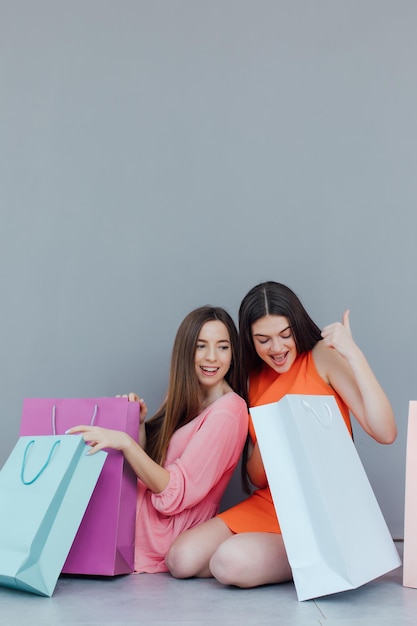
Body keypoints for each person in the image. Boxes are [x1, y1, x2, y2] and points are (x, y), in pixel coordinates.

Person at [165, 281, 397, 587]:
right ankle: (300, 557)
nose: (276, 348)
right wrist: (275, 433)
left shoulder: (321, 357)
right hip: (272, 504)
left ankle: (322, 552)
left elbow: (385, 432)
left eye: (285, 335)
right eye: (263, 340)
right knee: (180, 558)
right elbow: (257, 477)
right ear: (249, 340)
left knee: (228, 562)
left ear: (297, 327)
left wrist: (354, 355)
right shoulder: (251, 377)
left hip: (325, 507)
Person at [68, 305, 248, 573]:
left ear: (233, 354)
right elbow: (154, 468)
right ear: (186, 351)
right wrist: (138, 426)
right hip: (138, 521)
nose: (212, 357)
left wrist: (126, 443)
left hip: (167, 534)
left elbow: (173, 494)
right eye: (201, 346)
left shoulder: (229, 411)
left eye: (222, 347)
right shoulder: (187, 394)